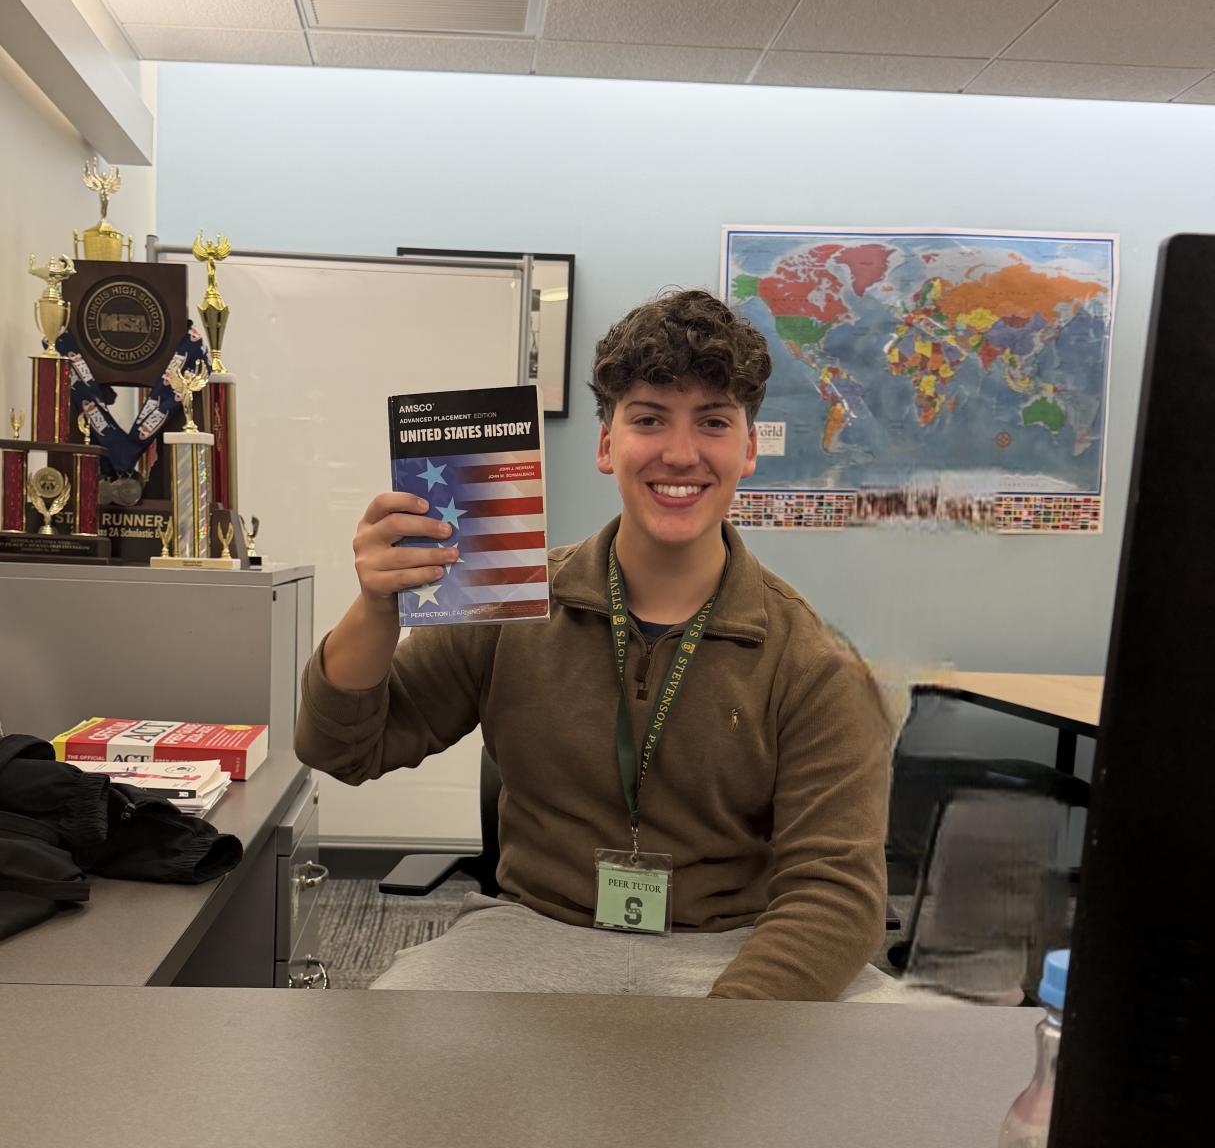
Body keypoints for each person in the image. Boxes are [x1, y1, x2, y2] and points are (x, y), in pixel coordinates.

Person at [295, 289, 900, 1001]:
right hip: (532, 932)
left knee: (902, 1057)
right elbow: (341, 750)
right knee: (382, 1041)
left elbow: (836, 894)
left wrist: (724, 1032)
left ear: (747, 450)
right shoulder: (508, 600)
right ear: (608, 444)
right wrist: (377, 605)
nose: (680, 453)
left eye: (712, 421)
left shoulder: (814, 662)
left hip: (735, 949)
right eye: (649, 419)